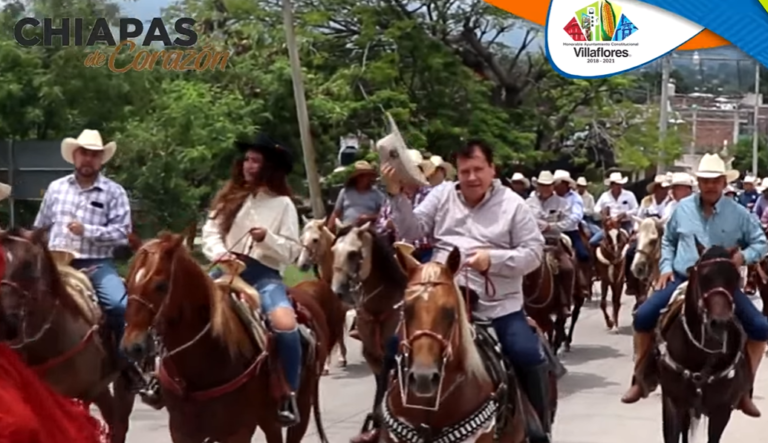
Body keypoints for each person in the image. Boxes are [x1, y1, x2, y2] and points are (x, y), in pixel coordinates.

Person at [355, 139, 549, 443]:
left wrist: (493, 260)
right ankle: (378, 420)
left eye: (478, 169)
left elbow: (534, 252)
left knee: (525, 353)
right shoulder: (442, 195)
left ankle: (539, 430)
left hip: (496, 304)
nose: (471, 177)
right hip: (442, 293)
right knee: (394, 346)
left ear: (492, 169)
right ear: (456, 172)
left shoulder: (513, 205)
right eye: (465, 170)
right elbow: (412, 231)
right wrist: (395, 195)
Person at [622, 154, 768, 418]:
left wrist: (742, 257)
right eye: (705, 181)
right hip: (683, 278)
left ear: (724, 182)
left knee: (760, 327)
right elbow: (669, 241)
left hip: (720, 283)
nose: (710, 186)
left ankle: (745, 389)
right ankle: (640, 377)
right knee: (643, 316)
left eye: (715, 181)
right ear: (698, 182)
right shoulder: (682, 209)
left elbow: (761, 242)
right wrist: (666, 267)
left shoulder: (740, 214)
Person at [201, 133, 303, 426]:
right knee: (178, 306)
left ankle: (288, 393)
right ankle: (161, 378)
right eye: (246, 159)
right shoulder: (228, 197)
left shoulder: (283, 205)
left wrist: (267, 238)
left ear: (269, 166)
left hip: (263, 275)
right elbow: (210, 233)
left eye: (255, 161)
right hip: (225, 270)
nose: (248, 165)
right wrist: (221, 255)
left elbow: (293, 251)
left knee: (286, 326)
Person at [32, 129, 145, 390]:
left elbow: (122, 233)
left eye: (94, 155)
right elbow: (41, 226)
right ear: (74, 156)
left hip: (94, 264)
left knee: (118, 305)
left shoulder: (113, 192)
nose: (88, 160)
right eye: (84, 154)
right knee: (18, 300)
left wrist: (87, 231)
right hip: (54, 264)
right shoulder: (56, 188)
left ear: (101, 160)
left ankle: (125, 362)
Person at [527, 171, 574, 317]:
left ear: (553, 186)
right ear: (538, 186)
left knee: (567, 268)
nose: (545, 188)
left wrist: (551, 227)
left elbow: (569, 221)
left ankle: (565, 302)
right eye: (542, 185)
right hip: (532, 241)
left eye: (548, 185)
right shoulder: (528, 203)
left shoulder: (562, 203)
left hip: (553, 242)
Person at [376, 150, 434, 262]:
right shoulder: (391, 198)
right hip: (400, 253)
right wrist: (387, 225)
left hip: (426, 253)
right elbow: (378, 227)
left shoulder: (431, 195)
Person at [625, 175, 671, 296]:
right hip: (645, 231)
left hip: (661, 232)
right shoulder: (646, 201)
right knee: (630, 252)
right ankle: (632, 284)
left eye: (666, 188)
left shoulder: (670, 202)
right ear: (655, 189)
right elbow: (639, 217)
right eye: (661, 187)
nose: (664, 190)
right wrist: (636, 231)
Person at [327, 161, 385, 232]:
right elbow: (336, 213)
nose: (363, 178)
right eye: (360, 175)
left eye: (365, 175)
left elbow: (385, 215)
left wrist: (369, 218)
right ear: (356, 177)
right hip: (346, 229)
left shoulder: (377, 194)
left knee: (381, 240)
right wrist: (329, 228)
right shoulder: (345, 192)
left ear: (370, 177)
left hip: (368, 230)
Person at [589, 172, 638, 247]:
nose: (619, 186)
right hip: (610, 225)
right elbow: (596, 208)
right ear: (611, 185)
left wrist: (625, 214)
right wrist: (603, 213)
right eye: (616, 184)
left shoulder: (629, 195)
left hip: (625, 223)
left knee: (633, 243)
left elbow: (636, 209)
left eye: (620, 184)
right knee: (593, 242)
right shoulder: (605, 196)